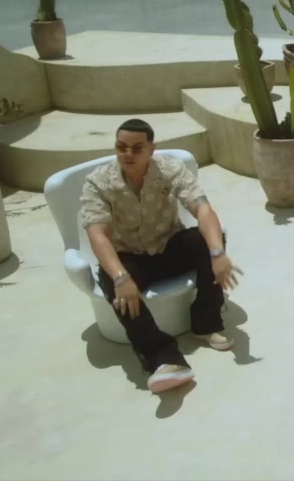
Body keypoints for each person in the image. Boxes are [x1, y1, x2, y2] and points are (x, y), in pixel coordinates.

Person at [80, 118, 242, 393]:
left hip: (168, 247)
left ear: (151, 149)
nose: (128, 154)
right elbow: (97, 235)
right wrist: (120, 278)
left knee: (208, 240)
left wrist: (218, 253)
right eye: (121, 147)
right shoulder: (98, 182)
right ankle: (164, 358)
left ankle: (206, 323)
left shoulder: (170, 169)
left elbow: (203, 209)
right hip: (130, 256)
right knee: (110, 277)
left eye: (137, 148)